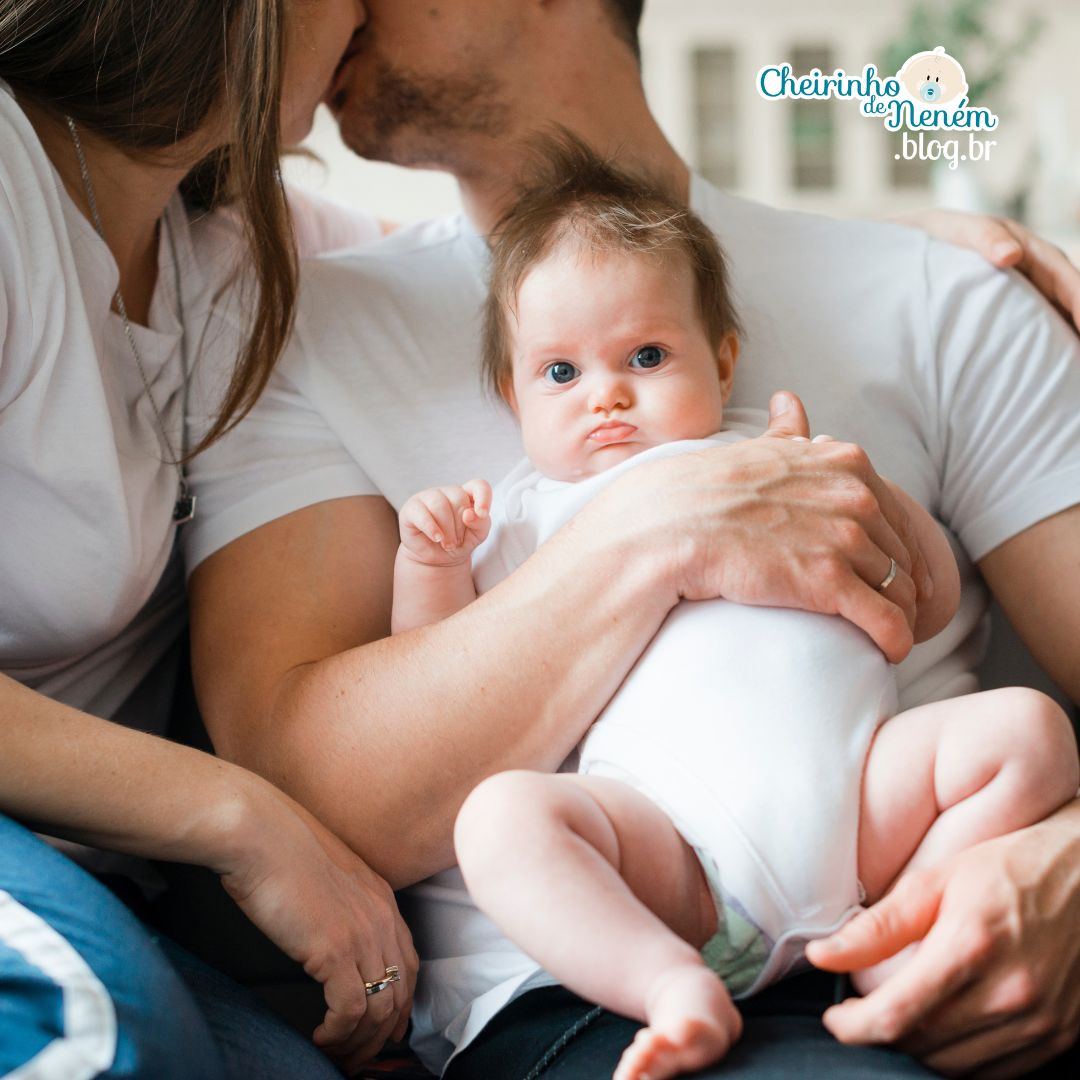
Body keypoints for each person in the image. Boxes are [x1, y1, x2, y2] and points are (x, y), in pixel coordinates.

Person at [184, 1, 1080, 1077]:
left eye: (648, 358)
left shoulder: (946, 298)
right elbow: (312, 796)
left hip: (921, 908)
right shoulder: (295, 325)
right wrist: (659, 535)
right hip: (594, 975)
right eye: (557, 373)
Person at [392, 143, 1078, 1080]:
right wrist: (430, 560)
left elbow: (928, 603)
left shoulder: (788, 456)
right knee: (501, 819)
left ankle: (898, 941)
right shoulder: (520, 516)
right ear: (511, 394)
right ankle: (669, 984)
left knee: (1030, 734)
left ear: (722, 360)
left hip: (862, 815)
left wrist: (867, 491)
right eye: (561, 374)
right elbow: (436, 677)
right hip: (672, 848)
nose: (608, 395)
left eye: (646, 355)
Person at [0, 2, 416, 1077]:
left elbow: (488, 266)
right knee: (106, 1029)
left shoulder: (224, 248)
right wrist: (237, 814)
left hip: (95, 875)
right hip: (69, 862)